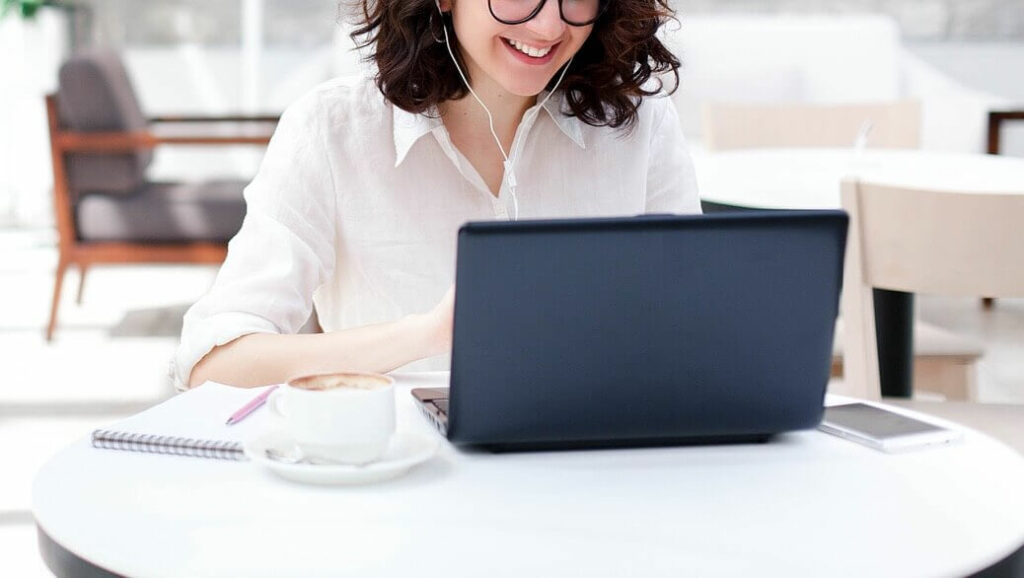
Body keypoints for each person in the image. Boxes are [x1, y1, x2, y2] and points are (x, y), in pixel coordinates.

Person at [173, 0, 700, 390]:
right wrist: (429, 334)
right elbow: (214, 365)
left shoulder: (641, 128)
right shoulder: (332, 130)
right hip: (396, 496)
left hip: (594, 485)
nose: (548, 25)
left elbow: (699, 338)